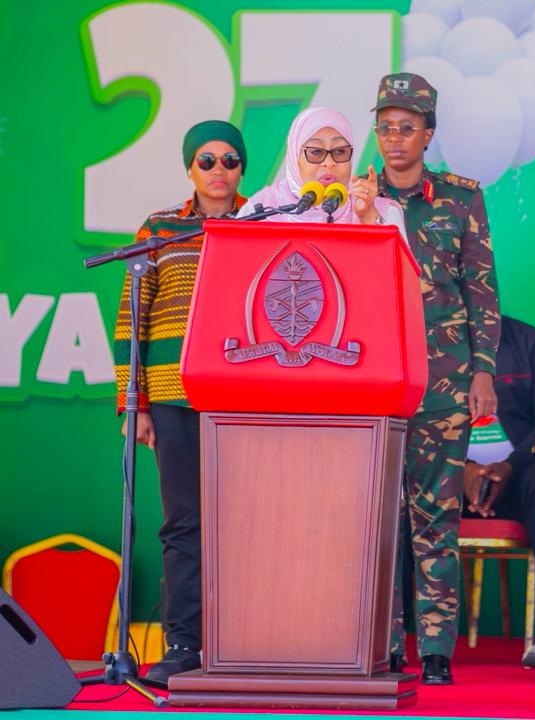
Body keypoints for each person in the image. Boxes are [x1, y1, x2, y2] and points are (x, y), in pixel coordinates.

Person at [370, 72, 500, 685]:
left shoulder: (460, 198)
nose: (394, 138)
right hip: (370, 383)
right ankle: (383, 642)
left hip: (443, 383)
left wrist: (484, 372)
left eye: (407, 127)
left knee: (435, 517)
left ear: (428, 133)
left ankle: (437, 648)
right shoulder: (354, 199)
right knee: (377, 522)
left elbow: (481, 294)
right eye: (385, 127)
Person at [112, 120, 247, 684]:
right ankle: (185, 645)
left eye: (230, 160)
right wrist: (135, 403)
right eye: (206, 160)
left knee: (247, 523)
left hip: (246, 398)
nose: (218, 170)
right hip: (173, 395)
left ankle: (245, 641)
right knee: (184, 522)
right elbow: (132, 318)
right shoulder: (161, 228)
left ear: (243, 168)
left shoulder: (263, 222)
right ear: (189, 168)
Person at [457, 316, 535, 669]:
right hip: (451, 475)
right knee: (400, 484)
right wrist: (463, 469)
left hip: (520, 474)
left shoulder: (531, 342)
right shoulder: (427, 344)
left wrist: (509, 466)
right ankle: (392, 636)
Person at [238, 106, 404, 231]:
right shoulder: (259, 211)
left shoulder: (384, 212)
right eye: (316, 152)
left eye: (340, 151)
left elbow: (400, 267)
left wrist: (369, 218)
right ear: (295, 158)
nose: (329, 162)